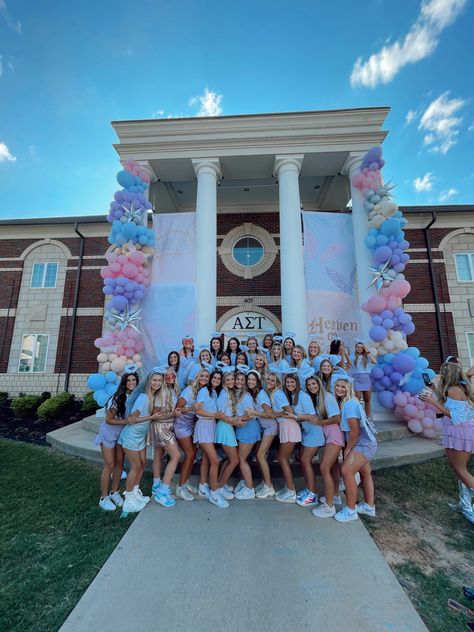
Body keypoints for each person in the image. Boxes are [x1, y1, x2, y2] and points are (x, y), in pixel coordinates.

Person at [420, 361, 474, 524]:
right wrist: (434, 390)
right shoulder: (456, 388)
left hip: (460, 432)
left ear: (448, 374)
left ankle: (468, 507)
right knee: (458, 469)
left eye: (443, 372)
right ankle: (464, 504)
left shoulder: (454, 390)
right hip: (457, 431)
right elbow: (448, 404)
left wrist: (431, 402)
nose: (441, 375)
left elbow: (454, 415)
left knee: (461, 469)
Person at [332, 376, 378, 523]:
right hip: (364, 442)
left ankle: (351, 510)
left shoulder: (350, 404)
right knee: (365, 473)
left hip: (362, 444)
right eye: (337, 386)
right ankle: (369, 507)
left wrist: (348, 450)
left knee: (346, 471)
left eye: (343, 386)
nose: (339, 388)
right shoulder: (348, 402)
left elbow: (355, 432)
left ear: (349, 388)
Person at [119, 370, 164, 515]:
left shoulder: (153, 397)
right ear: (149, 382)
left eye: (159, 380)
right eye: (154, 380)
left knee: (142, 463)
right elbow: (132, 419)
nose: (157, 383)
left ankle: (135, 492)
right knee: (136, 465)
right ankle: (128, 502)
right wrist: (151, 417)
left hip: (140, 436)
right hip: (131, 436)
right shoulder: (144, 398)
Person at [96, 369, 139, 511]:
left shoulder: (135, 397)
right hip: (109, 433)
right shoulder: (117, 398)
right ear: (124, 383)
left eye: (134, 380)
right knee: (110, 465)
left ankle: (114, 492)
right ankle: (103, 497)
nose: (131, 383)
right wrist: (126, 421)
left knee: (120, 464)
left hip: (122, 435)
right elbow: (108, 420)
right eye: (129, 380)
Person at [285, 368, 324, 507]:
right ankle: (308, 490)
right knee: (303, 461)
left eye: (292, 382)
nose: (290, 384)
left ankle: (312, 495)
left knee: (306, 461)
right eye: (287, 382)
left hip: (315, 433)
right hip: (307, 433)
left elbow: (312, 415)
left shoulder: (303, 396)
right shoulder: (293, 395)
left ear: (297, 383)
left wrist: (296, 417)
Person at [193, 370, 229, 508]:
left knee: (207, 459)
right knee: (215, 461)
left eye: (219, 378)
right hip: (203, 426)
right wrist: (214, 415)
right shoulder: (204, 391)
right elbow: (198, 411)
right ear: (210, 379)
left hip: (211, 427)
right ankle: (214, 494)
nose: (216, 380)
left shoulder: (215, 393)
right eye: (214, 377)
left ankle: (203, 486)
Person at [174, 369, 210, 500]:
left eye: (207, 376)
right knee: (190, 454)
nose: (204, 378)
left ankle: (186, 481)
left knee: (193, 454)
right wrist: (191, 408)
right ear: (197, 377)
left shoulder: (204, 391)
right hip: (181, 424)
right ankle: (180, 487)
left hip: (190, 424)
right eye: (202, 376)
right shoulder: (189, 390)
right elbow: (177, 409)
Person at [148, 368, 182, 508]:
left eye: (171, 375)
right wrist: (174, 414)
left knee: (158, 454)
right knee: (176, 456)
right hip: (162, 426)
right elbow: (156, 415)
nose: (169, 377)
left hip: (165, 426)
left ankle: (156, 485)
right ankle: (163, 491)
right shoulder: (162, 392)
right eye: (166, 376)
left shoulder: (174, 390)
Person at [245, 372, 277, 498]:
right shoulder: (254, 393)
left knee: (260, 455)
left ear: (257, 381)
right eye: (249, 379)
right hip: (264, 428)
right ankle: (265, 483)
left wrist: (254, 412)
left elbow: (271, 414)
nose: (250, 382)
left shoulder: (261, 395)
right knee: (259, 456)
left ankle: (269, 487)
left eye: (253, 380)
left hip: (270, 427)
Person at [271, 369, 301, 502]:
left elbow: (290, 411)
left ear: (277, 382)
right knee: (283, 458)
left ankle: (291, 491)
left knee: (283, 459)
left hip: (289, 427)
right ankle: (289, 487)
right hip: (285, 426)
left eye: (272, 380)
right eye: (268, 380)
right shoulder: (277, 393)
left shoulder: (278, 393)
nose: (269, 382)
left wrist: (278, 414)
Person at [233, 369, 262, 499]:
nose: (239, 382)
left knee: (242, 459)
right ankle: (245, 482)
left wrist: (238, 421)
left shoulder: (246, 396)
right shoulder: (237, 393)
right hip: (242, 428)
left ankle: (249, 489)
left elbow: (250, 415)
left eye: (242, 380)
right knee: (241, 458)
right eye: (237, 379)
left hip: (248, 428)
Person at [215, 368, 242, 499]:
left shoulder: (229, 393)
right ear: (224, 382)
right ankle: (219, 488)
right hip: (224, 427)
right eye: (228, 380)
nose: (231, 382)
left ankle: (220, 483)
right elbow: (219, 414)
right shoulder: (223, 395)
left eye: (232, 379)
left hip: (228, 427)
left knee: (230, 459)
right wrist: (233, 421)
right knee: (235, 460)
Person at [350, 341, 376, 419]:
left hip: (366, 379)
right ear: (355, 348)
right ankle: (357, 418)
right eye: (358, 347)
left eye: (361, 347)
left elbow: (374, 361)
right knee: (356, 401)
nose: (360, 349)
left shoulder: (366, 356)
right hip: (357, 379)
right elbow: (347, 364)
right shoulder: (352, 356)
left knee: (367, 400)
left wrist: (367, 352)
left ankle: (368, 418)